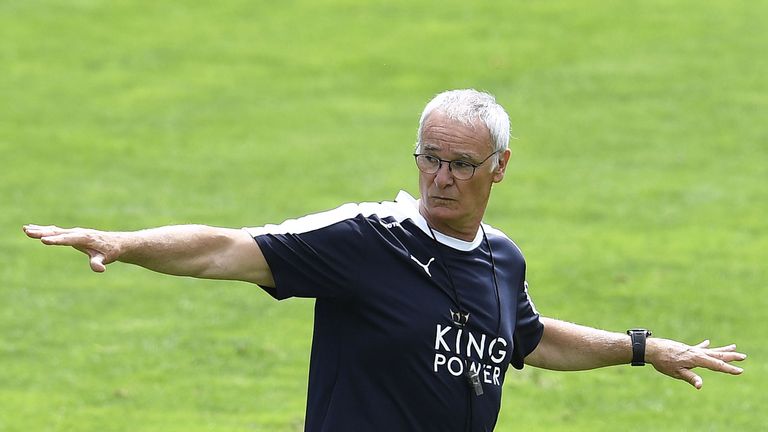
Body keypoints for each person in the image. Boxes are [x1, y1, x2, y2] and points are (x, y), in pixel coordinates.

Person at [23, 89, 745, 432]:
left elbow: (526, 338)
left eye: (461, 163)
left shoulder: (500, 259)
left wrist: (641, 348)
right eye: (430, 158)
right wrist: (123, 243)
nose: (441, 177)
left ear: (500, 168)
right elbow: (227, 249)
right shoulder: (367, 239)